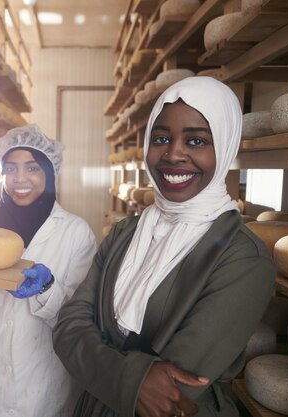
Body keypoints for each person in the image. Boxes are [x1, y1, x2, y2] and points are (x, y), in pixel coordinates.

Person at [53, 76, 276, 417]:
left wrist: (98, 360)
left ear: (226, 145)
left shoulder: (243, 257)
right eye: (161, 138)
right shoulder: (125, 232)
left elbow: (175, 390)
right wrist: (134, 380)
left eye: (197, 141)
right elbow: (68, 327)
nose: (173, 154)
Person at [0, 124, 98, 417]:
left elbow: (81, 317)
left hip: (45, 379)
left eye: (32, 168)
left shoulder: (75, 232)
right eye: (11, 169)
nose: (20, 179)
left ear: (49, 173)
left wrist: (46, 288)